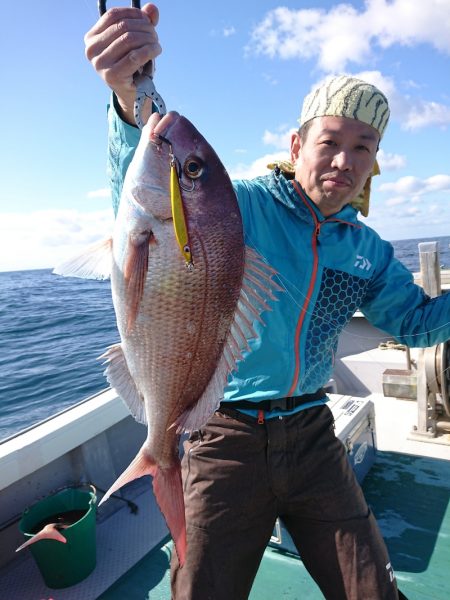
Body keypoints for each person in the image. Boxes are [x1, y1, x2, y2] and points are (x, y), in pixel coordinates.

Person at [85, 5, 449, 600]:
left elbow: (415, 323)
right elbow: (152, 195)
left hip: (311, 434)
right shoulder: (237, 205)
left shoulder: (369, 251)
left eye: (363, 148)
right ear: (297, 143)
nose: (344, 161)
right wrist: (131, 101)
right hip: (221, 434)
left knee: (373, 592)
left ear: (374, 163)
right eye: (330, 141)